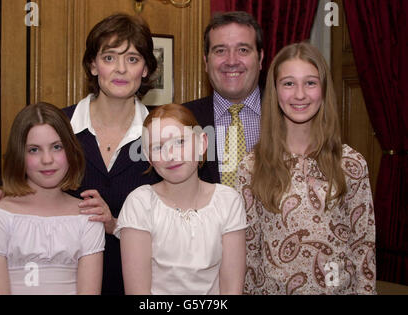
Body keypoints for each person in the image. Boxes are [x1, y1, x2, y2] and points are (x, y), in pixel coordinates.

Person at [0, 13, 159, 295]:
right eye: (109, 57)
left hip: (146, 287)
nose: (121, 69)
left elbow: (184, 222)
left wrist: (115, 225)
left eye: (132, 59)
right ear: (93, 65)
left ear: (145, 69)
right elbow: (29, 188)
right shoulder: (56, 128)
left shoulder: (163, 134)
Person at [236, 42, 376, 294]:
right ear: (275, 91)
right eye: (288, 83)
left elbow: (363, 248)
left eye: (310, 83)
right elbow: (249, 253)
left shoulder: (351, 163)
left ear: (323, 90)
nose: (299, 94)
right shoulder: (252, 166)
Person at [114, 104, 247, 294]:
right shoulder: (140, 204)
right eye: (158, 147)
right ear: (148, 157)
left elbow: (231, 288)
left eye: (180, 142)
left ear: (202, 143)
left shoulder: (227, 202)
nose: (171, 155)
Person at [0, 102, 105, 294]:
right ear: (19, 154)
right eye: (34, 150)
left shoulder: (88, 217)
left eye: (56, 147)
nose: (47, 160)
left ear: (70, 150)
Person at [184, 11, 264, 186]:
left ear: (260, 58)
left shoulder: (289, 115)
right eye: (220, 51)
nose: (232, 61)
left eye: (243, 50)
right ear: (206, 61)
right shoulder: (182, 120)